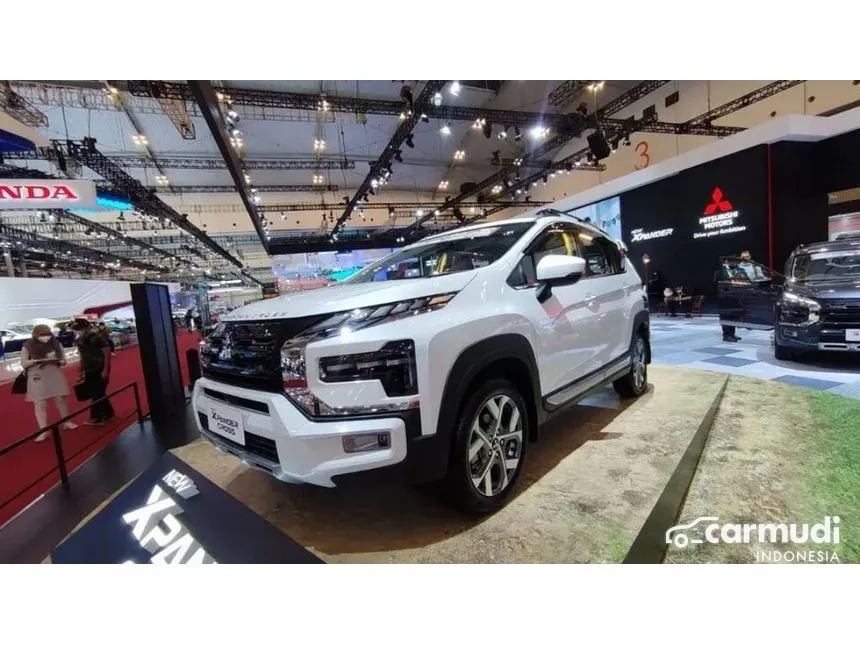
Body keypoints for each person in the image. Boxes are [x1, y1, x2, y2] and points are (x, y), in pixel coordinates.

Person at [21, 324, 77, 442]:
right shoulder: (28, 346)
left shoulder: (56, 343)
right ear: (35, 334)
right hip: (37, 375)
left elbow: (63, 360)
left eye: (47, 334)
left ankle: (66, 421)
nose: (46, 336)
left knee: (60, 399)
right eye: (42, 334)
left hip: (54, 373)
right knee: (40, 402)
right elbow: (24, 363)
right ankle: (43, 430)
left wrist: (58, 361)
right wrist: (36, 361)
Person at [73, 319, 115, 425]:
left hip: (99, 367)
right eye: (77, 329)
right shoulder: (79, 341)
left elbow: (107, 352)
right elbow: (82, 356)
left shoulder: (97, 337)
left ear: (87, 327)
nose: (79, 331)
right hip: (89, 369)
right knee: (97, 392)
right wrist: (81, 372)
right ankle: (107, 414)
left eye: (81, 329)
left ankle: (98, 417)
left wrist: (105, 369)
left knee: (97, 392)